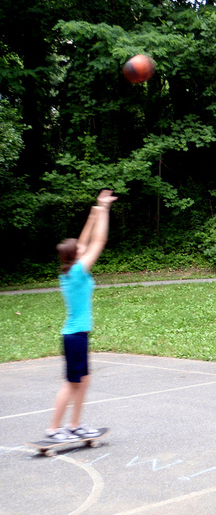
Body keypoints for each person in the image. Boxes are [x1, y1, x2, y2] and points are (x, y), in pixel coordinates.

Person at [45, 189, 117, 442]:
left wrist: (94, 213)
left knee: (82, 380)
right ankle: (54, 429)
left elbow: (85, 241)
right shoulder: (77, 272)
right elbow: (99, 241)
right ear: (76, 255)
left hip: (76, 335)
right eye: (79, 249)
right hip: (75, 336)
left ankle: (74, 425)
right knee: (71, 383)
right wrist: (104, 211)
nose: (82, 248)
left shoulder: (68, 271)